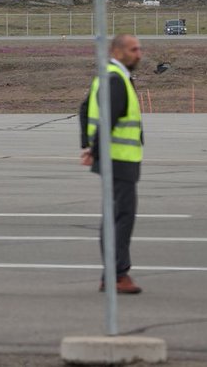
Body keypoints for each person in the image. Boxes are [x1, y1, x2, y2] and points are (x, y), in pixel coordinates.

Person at [79, 34, 144, 294]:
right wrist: (93, 150)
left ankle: (113, 274)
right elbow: (107, 120)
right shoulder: (116, 80)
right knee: (121, 217)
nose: (139, 54)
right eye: (133, 49)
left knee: (114, 216)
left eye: (139, 49)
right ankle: (117, 274)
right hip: (119, 158)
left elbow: (84, 110)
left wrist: (87, 145)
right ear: (117, 52)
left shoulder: (107, 76)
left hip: (115, 158)